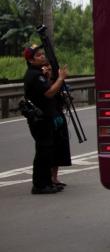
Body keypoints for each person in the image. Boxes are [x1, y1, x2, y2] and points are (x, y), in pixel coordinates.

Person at [22, 44, 67, 194]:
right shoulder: (34, 75)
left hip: (45, 117)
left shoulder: (39, 74)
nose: (42, 56)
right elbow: (49, 93)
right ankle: (39, 185)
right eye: (38, 55)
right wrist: (60, 78)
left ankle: (47, 183)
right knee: (43, 151)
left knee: (48, 150)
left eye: (42, 54)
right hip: (40, 119)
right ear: (30, 60)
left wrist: (48, 77)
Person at [42, 63, 72, 188]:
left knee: (60, 145)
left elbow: (65, 96)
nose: (48, 69)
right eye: (46, 67)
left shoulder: (57, 80)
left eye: (50, 67)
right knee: (50, 147)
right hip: (48, 117)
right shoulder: (42, 81)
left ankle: (54, 177)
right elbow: (48, 93)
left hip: (59, 114)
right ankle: (47, 178)